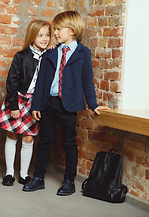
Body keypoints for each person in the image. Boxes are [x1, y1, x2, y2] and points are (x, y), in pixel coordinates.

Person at [23, 11, 110, 195]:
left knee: (69, 143)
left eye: (57, 29)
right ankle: (38, 177)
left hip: (68, 105)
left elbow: (87, 81)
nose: (54, 33)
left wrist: (93, 105)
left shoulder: (83, 53)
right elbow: (41, 82)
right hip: (49, 103)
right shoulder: (51, 54)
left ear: (71, 30)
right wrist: (36, 105)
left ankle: (69, 181)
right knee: (45, 141)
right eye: (54, 29)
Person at [0, 20, 53, 186]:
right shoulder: (21, 56)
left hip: (35, 102)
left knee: (29, 138)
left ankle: (23, 174)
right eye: (40, 35)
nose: (45, 39)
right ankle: (9, 173)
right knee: (12, 134)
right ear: (32, 36)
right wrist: (13, 106)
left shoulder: (50, 56)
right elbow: (11, 82)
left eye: (47, 35)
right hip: (18, 99)